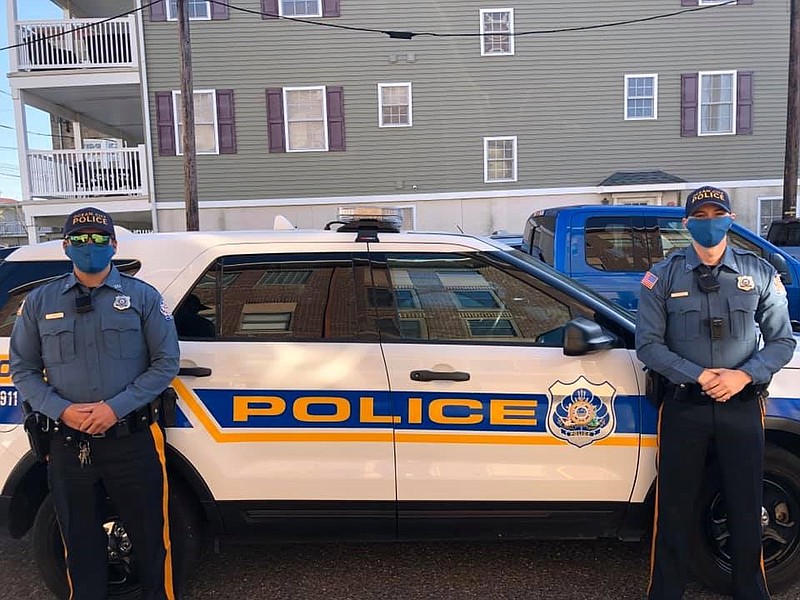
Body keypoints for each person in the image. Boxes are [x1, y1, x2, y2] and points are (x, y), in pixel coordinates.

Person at [10, 207, 180, 600]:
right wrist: (61, 410)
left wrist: (115, 408)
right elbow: (23, 368)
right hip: (67, 443)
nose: (91, 246)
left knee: (152, 539)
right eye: (81, 240)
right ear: (67, 246)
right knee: (79, 545)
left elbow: (166, 362)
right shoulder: (39, 302)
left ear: (114, 245)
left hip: (132, 438)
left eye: (99, 239)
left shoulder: (142, 297)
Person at [636, 186, 796, 600]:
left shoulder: (759, 272)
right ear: (687, 223)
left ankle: (751, 593)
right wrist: (699, 376)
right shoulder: (663, 275)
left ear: (730, 219)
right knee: (672, 511)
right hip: (683, 407)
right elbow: (648, 345)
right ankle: (665, 593)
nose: (710, 222)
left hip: (742, 407)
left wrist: (743, 377)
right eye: (701, 215)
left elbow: (782, 341)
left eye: (717, 214)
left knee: (746, 509)